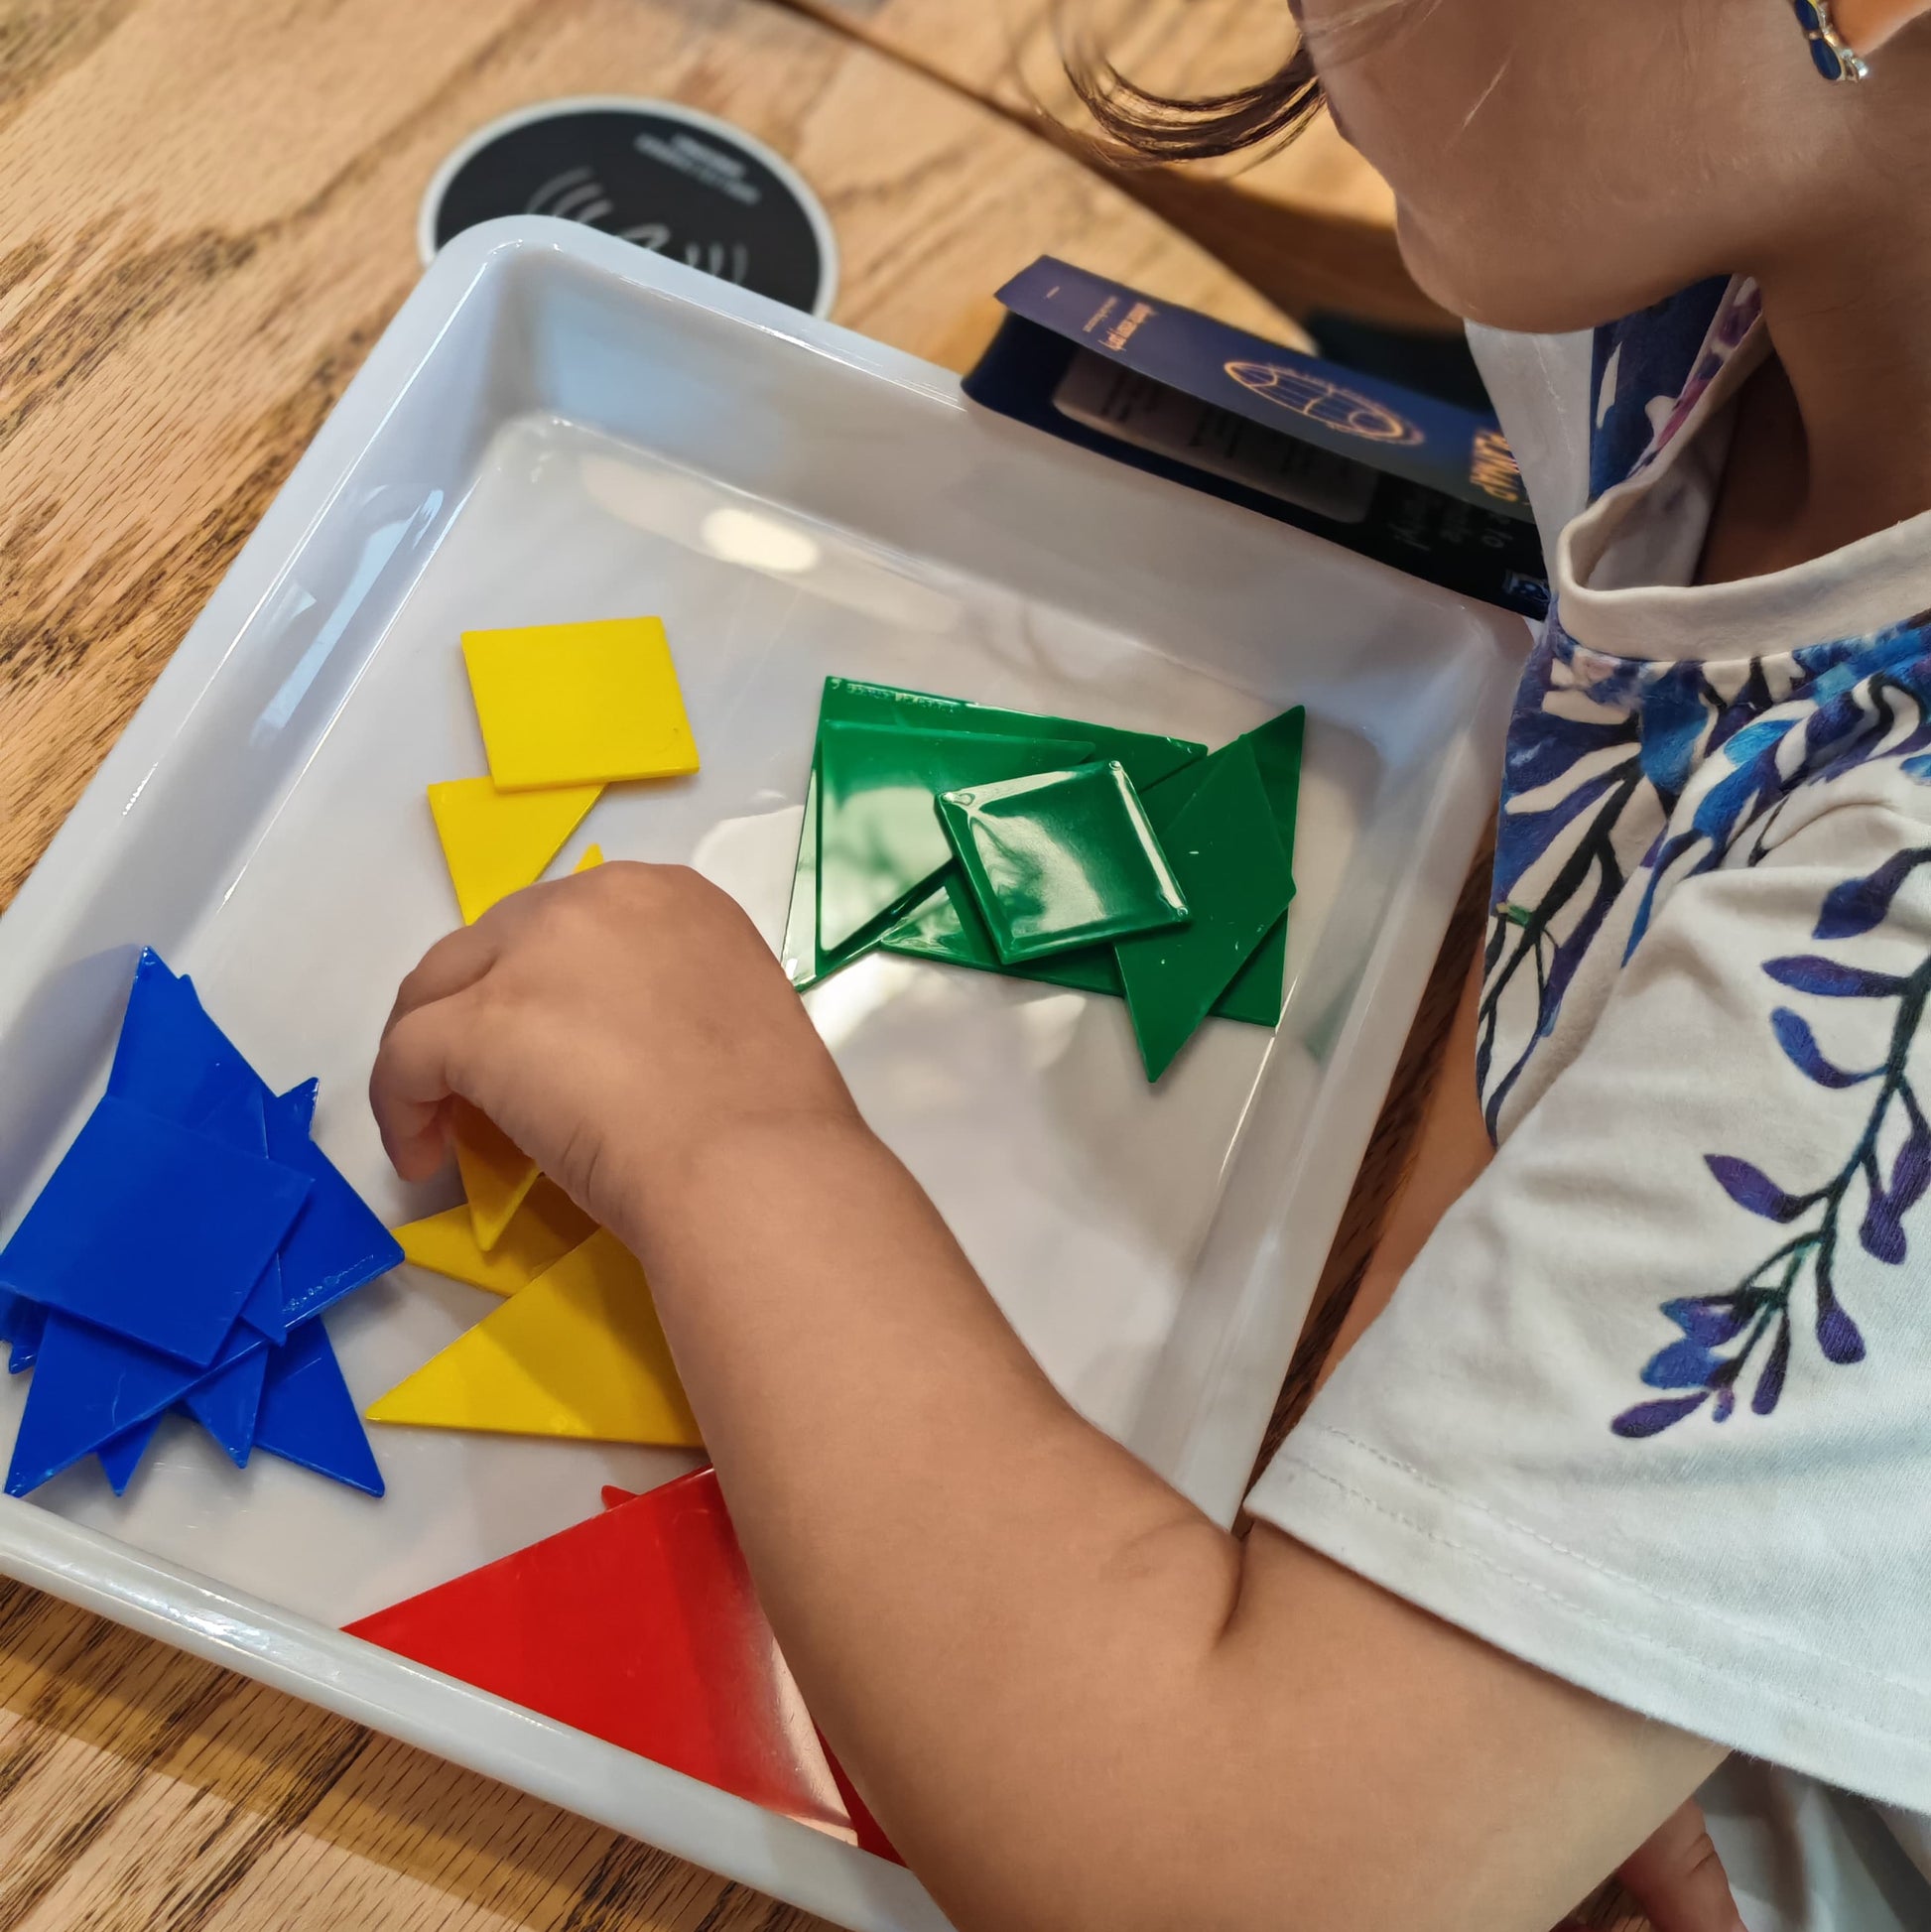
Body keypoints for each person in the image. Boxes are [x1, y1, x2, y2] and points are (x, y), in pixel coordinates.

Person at [368, 0, 1931, 1923]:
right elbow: (1597, 787)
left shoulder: (1891, 975)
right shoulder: (1680, 249)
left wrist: (734, 1138)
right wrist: (1473, 1542)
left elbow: (1209, 1877)